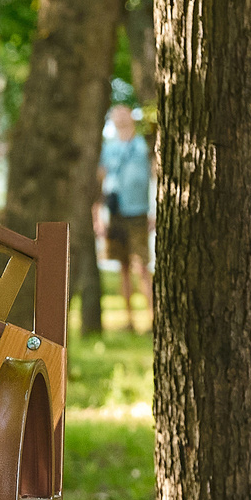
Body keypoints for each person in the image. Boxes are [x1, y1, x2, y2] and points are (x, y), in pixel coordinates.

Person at [96, 104, 154, 332]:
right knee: (123, 266)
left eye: (123, 112)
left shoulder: (143, 145)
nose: (119, 117)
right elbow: (100, 180)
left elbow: (154, 176)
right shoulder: (107, 149)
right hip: (115, 213)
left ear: (131, 116)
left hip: (139, 211)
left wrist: (154, 211)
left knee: (142, 266)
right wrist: (98, 216)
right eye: (115, 113)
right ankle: (129, 320)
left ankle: (153, 318)